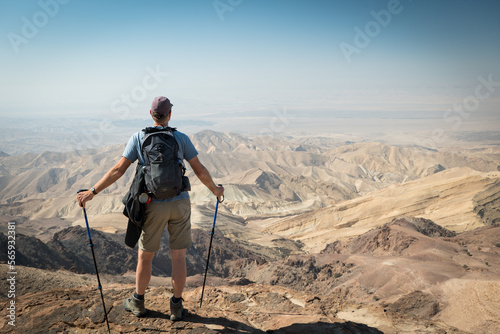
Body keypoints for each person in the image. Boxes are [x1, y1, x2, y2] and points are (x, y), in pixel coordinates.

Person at [77, 96, 224, 321]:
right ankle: (176, 307)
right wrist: (215, 190)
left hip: (151, 204)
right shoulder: (180, 138)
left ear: (150, 114)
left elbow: (118, 170)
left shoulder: (139, 137)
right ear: (170, 115)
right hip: (179, 203)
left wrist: (92, 191)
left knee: (145, 257)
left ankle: (138, 302)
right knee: (179, 257)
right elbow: (200, 170)